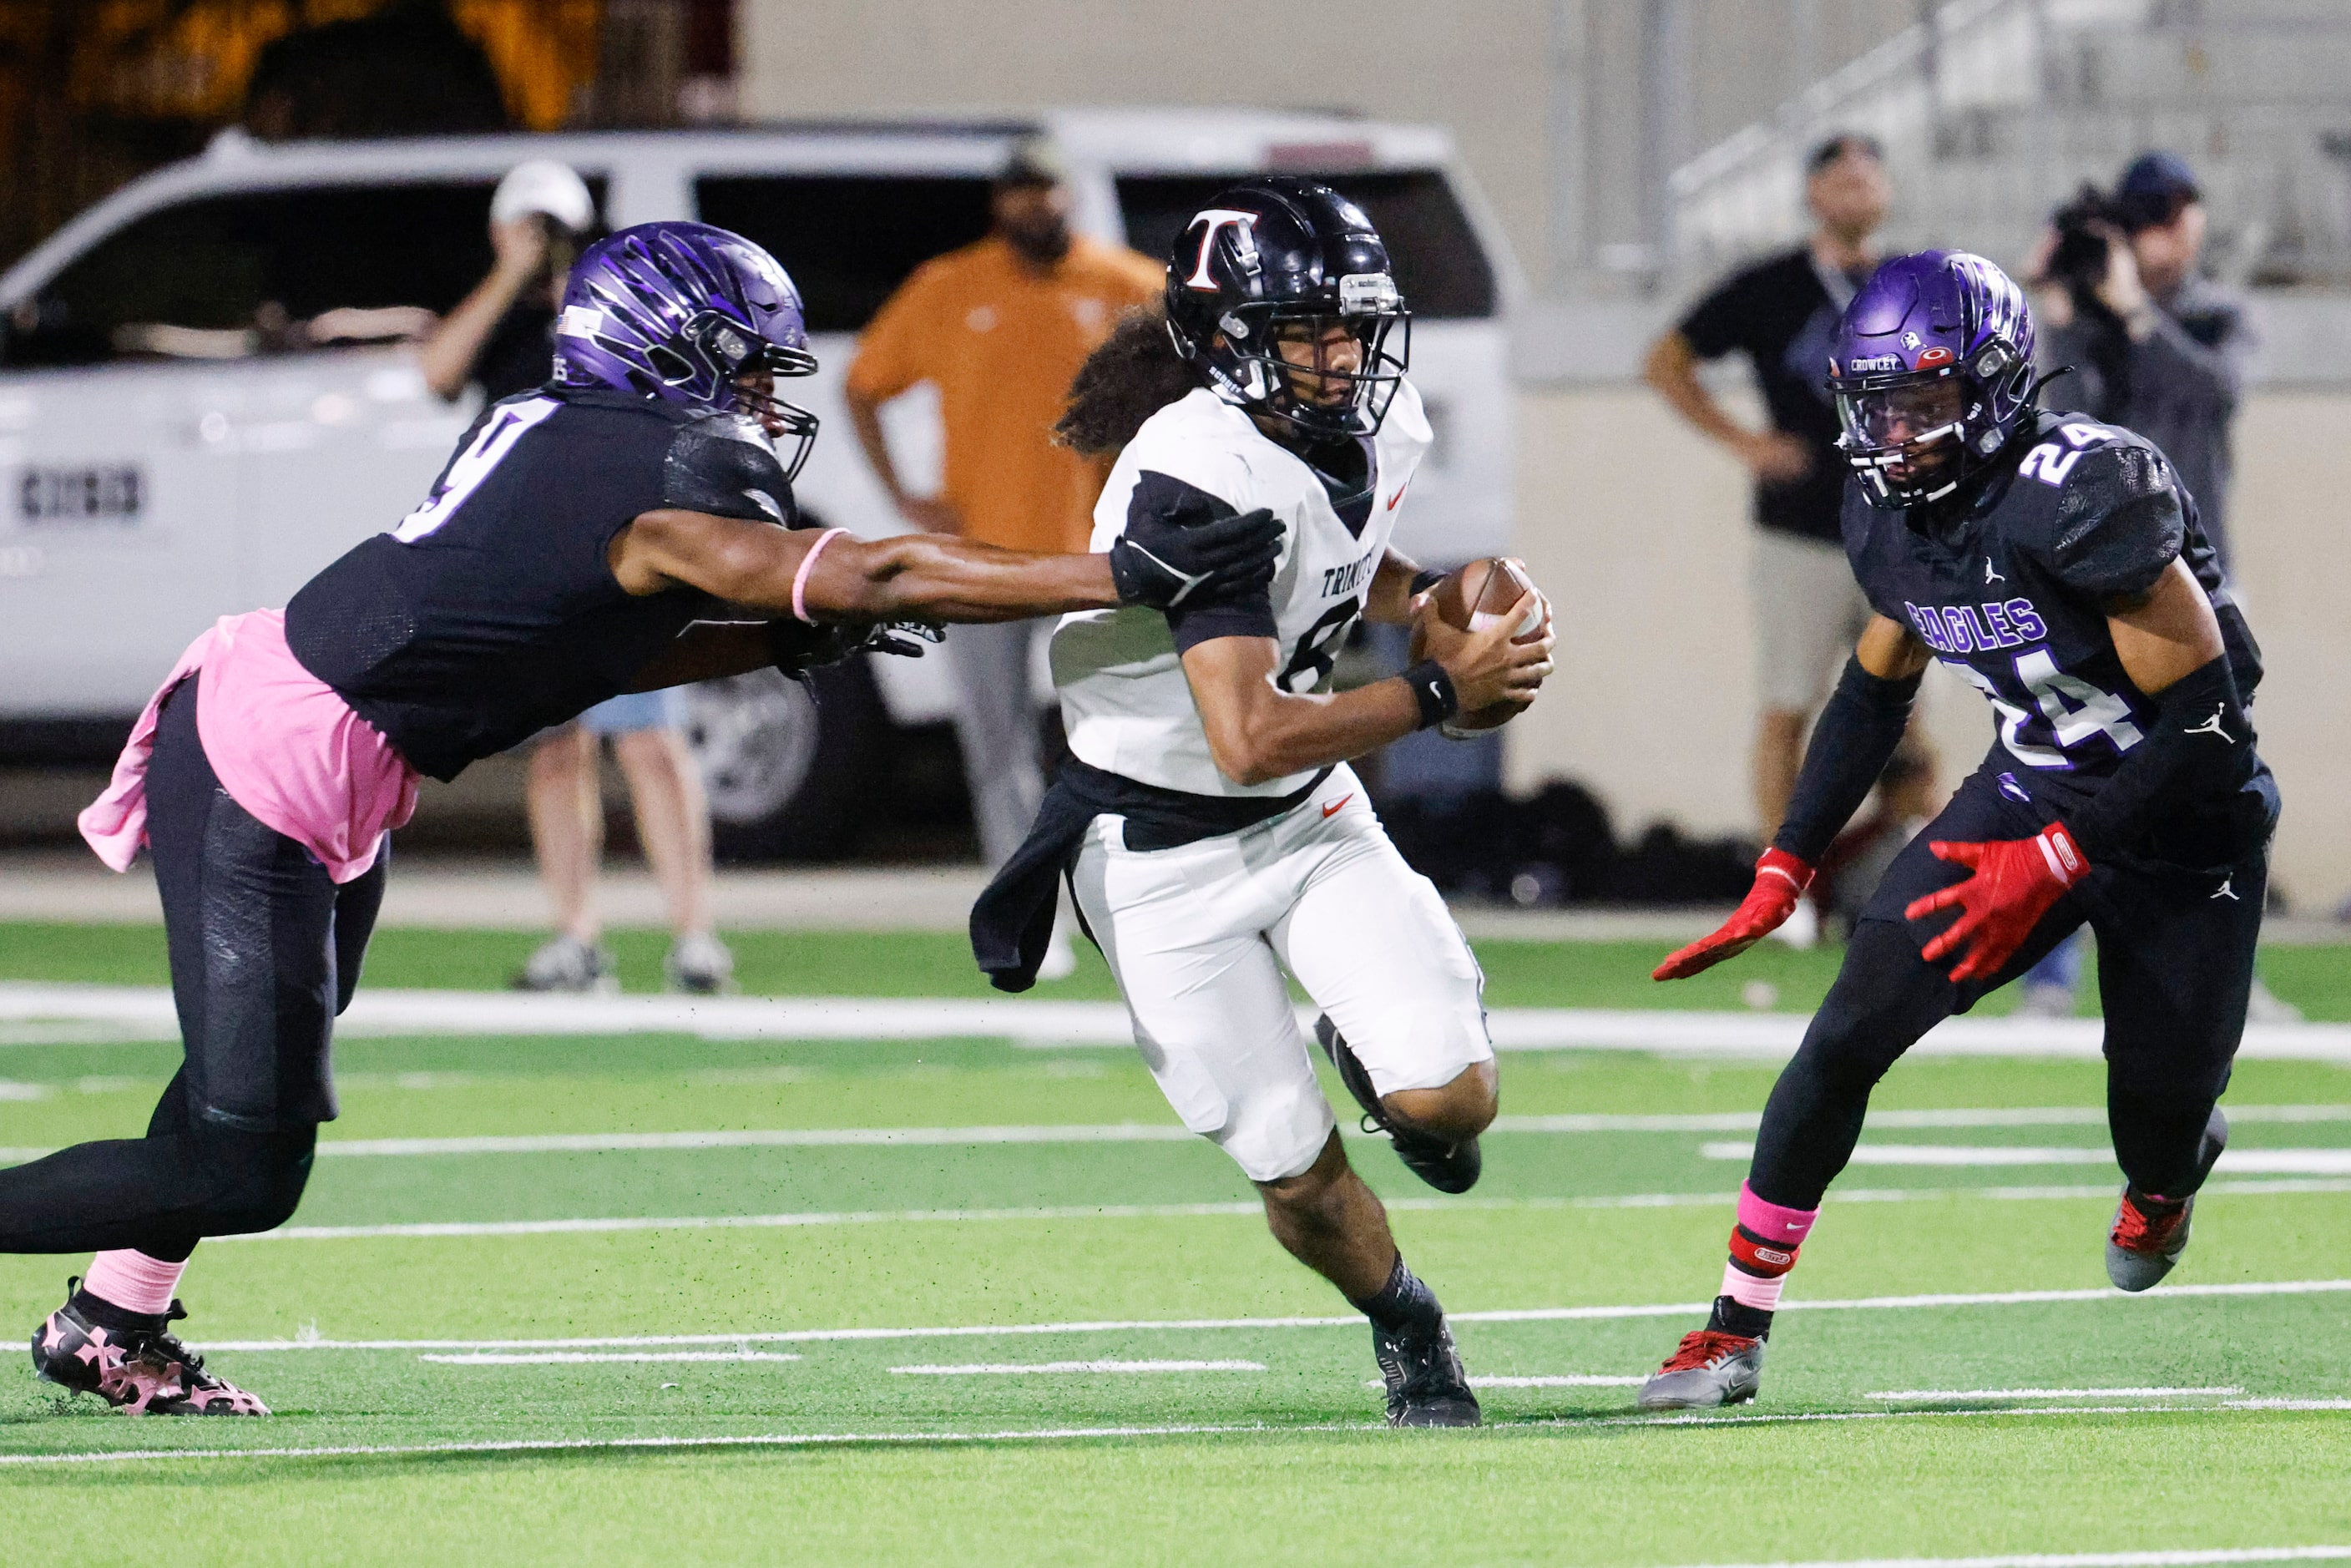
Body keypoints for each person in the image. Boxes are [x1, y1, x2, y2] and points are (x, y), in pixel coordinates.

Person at [34, 221, 1282, 1416]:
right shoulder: (656, 461)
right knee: (244, 1166)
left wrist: (771, 638)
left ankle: (111, 1319)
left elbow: (575, 655)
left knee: (231, 1098)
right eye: (746, 366)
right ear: (666, 353)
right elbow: (881, 569)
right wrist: (1122, 577)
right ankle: (112, 1311)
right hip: (272, 755)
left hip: (316, 744)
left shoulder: (573, 431)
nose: (763, 401)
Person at [1634, 251, 2276, 1410]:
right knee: (1844, 1035)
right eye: (1876, 401)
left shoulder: (2084, 487)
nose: (1896, 430)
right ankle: (1732, 1329)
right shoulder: (1884, 506)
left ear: (1994, 384)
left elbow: (2210, 718)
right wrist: (1789, 859)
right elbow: (1875, 687)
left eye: (1923, 400)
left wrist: (2061, 859)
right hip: (2031, 787)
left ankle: (2170, 1173)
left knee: (2158, 1109)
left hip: (2184, 820)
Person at [972, 180, 1555, 1427]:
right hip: (1154, 842)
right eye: (1305, 330)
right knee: (1293, 1172)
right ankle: (1406, 1317)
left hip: (1303, 811)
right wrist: (1441, 691)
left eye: (1352, 327)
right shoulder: (1192, 473)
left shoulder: (1370, 418)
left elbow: (1341, 557)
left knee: (1451, 1100)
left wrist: (1431, 594)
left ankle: (1374, 1051)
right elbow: (1243, 733)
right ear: (1227, 336)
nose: (1341, 357)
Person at [847, 138, 1163, 976]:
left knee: (1122, 739)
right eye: (1022, 192)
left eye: (1048, 189)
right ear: (999, 204)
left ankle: (1134, 908)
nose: (1037, 206)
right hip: (982, 558)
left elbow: (1197, 394)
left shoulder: (1128, 287)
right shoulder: (949, 287)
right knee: (997, 744)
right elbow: (863, 383)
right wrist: (904, 498)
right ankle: (1034, 914)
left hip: (1102, 557)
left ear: (1070, 193)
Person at [417, 161, 732, 994]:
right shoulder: (491, 316)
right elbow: (438, 372)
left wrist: (576, 294)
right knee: (556, 747)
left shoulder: (608, 307)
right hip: (527, 552)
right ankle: (575, 936)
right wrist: (509, 277)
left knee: (650, 741)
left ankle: (695, 934)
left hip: (622, 544)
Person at [1646, 134, 1935, 943]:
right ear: (1812, 194)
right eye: (1838, 179)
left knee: (1908, 713)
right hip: (1800, 533)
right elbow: (1665, 361)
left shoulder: (1905, 283)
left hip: (1896, 532)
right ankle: (1785, 893)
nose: (1855, 192)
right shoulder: (1771, 286)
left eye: (1867, 177)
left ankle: (1906, 875)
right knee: (1787, 706)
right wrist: (1744, 444)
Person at [2020, 152, 2281, 1021]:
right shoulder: (2084, 320)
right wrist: (2056, 312)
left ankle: (2212, 977)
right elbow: (2059, 422)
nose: (2164, 232)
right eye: (2146, 216)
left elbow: (2212, 395)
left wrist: (2135, 312)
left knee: (2210, 769)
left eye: (2174, 213)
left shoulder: (2212, 315)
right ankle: (2049, 977)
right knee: (2072, 766)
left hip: (2195, 574)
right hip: (2094, 579)